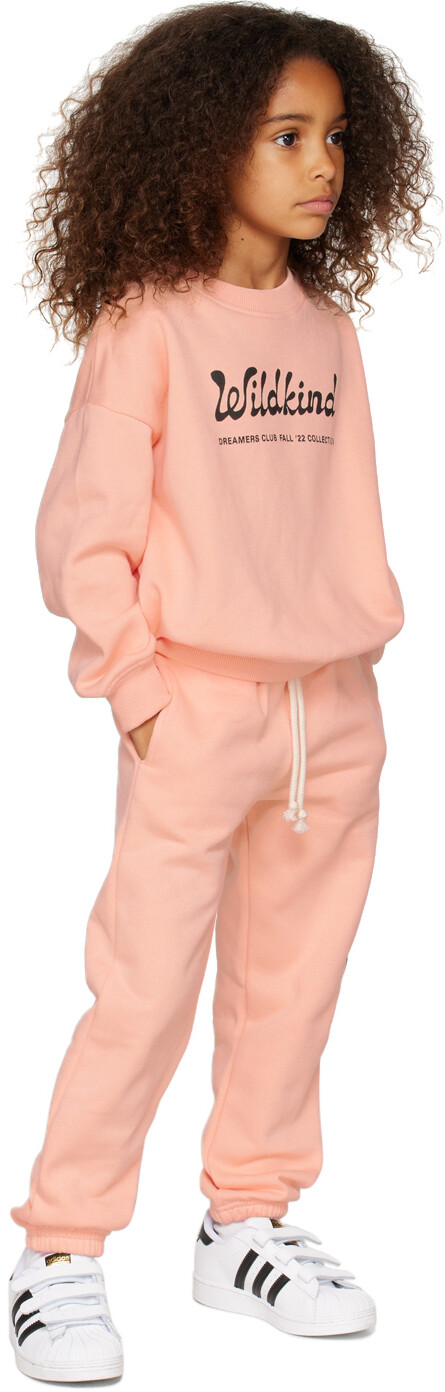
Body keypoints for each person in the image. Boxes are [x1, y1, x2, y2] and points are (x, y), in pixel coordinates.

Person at [8, 2, 436, 1379]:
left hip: (332, 715)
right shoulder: (147, 326)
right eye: (286, 135)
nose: (323, 165)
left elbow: (332, 525)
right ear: (202, 146)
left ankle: (244, 1221)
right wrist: (137, 690)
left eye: (336, 137)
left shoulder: (329, 337)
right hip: (191, 707)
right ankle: (61, 1250)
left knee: (292, 988)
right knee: (140, 987)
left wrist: (350, 673)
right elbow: (85, 533)